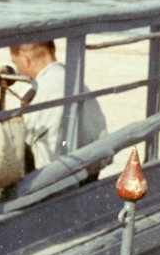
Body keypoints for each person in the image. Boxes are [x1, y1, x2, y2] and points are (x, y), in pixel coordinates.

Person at [9, 40, 109, 170]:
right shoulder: (80, 85)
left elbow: (15, 148)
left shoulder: (31, 94)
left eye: (16, 63)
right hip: (90, 171)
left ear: (24, 58)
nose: (18, 72)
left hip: (49, 176)